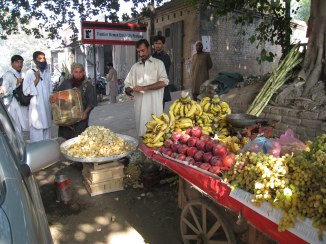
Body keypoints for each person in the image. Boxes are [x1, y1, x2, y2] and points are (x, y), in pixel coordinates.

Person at [124, 38, 169, 137]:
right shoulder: (135, 67)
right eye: (139, 52)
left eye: (143, 50)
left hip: (154, 108)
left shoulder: (158, 64)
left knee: (156, 135)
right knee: (142, 135)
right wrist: (129, 89)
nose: (141, 54)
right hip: (140, 109)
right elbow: (127, 84)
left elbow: (164, 82)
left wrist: (143, 88)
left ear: (149, 48)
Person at [56, 63, 97, 140]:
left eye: (80, 72)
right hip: (66, 119)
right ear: (72, 72)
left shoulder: (88, 86)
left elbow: (92, 102)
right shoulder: (66, 83)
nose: (78, 74)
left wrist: (85, 113)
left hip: (80, 118)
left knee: (79, 140)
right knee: (65, 140)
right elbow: (57, 95)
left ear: (84, 72)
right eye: (76, 72)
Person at [23, 51, 52, 142]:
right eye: (39, 58)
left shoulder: (47, 73)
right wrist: (37, 79)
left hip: (46, 108)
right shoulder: (30, 73)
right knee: (37, 136)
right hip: (36, 110)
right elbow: (26, 91)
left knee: (47, 135)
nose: (42, 60)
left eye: (43, 58)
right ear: (35, 60)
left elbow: (50, 90)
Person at [1, 55, 29, 133]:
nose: (19, 64)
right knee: (15, 128)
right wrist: (16, 83)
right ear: (12, 64)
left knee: (21, 128)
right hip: (12, 105)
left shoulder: (20, 74)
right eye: (17, 62)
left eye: (21, 62)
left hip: (20, 104)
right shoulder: (8, 75)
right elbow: (5, 91)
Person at [152, 35, 172, 108]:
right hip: (152, 87)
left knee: (159, 111)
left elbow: (164, 73)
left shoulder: (166, 57)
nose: (157, 45)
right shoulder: (152, 57)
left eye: (159, 43)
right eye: (156, 43)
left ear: (163, 45)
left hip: (161, 87)